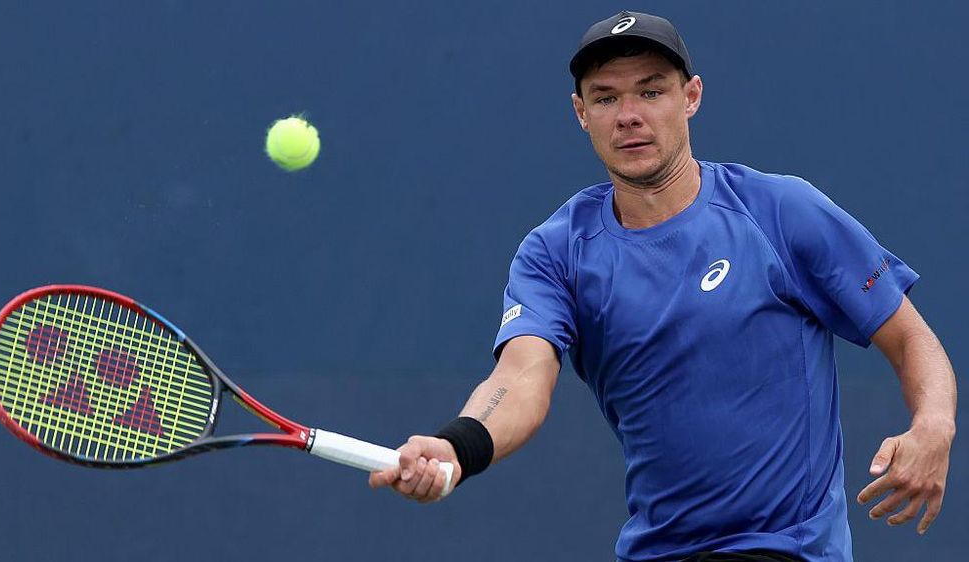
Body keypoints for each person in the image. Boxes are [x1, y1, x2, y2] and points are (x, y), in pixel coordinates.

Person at [369, 11, 957, 562]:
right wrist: (458, 447)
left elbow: (910, 339)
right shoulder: (556, 251)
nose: (629, 114)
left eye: (650, 91)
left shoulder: (782, 212)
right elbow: (521, 375)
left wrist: (933, 425)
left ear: (691, 97)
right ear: (581, 113)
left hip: (787, 550)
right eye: (606, 97)